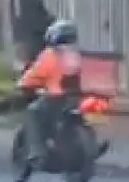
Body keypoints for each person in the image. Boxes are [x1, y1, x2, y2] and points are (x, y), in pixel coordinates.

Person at [17, 18, 81, 165]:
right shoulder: (77, 55)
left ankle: (37, 152)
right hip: (77, 97)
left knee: (32, 111)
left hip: (56, 98)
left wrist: (22, 84)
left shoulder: (51, 55)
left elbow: (33, 76)